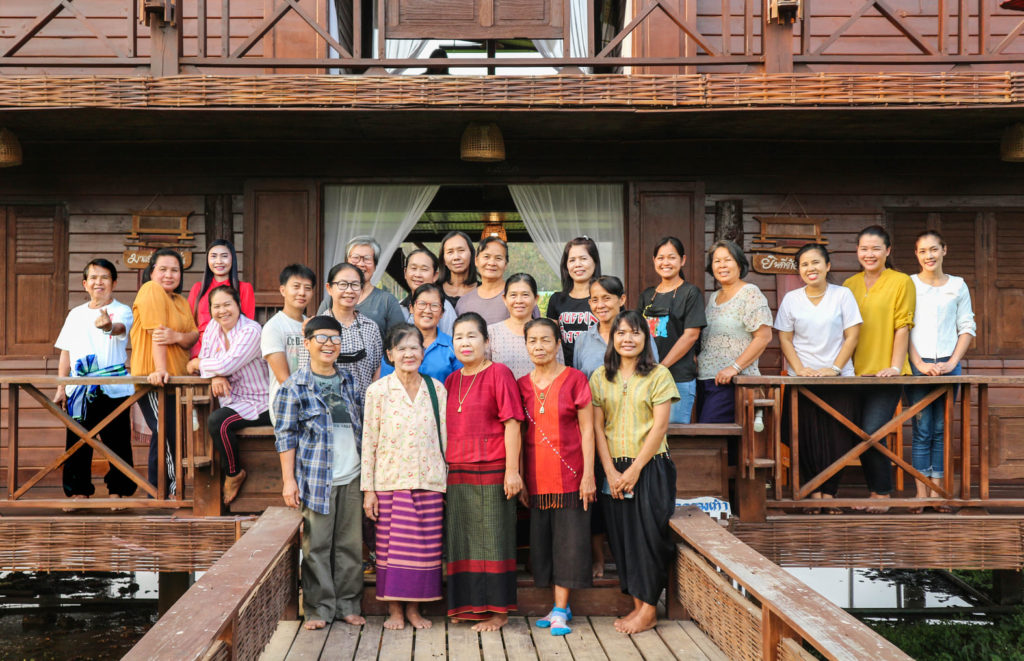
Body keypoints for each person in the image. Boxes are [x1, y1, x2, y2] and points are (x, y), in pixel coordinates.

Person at [274, 316, 366, 631]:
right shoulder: (294, 386)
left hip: (352, 476)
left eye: (335, 339)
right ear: (308, 343)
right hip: (316, 478)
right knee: (316, 546)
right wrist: (289, 480)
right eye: (322, 338)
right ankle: (318, 609)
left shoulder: (349, 381)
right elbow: (285, 436)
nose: (329, 345)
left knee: (350, 546)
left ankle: (348, 605)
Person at [590, 310, 678, 635]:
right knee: (623, 537)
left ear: (645, 339)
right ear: (612, 339)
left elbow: (660, 426)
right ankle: (638, 606)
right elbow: (598, 428)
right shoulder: (600, 376)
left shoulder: (659, 375)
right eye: (621, 333)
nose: (628, 339)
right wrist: (611, 471)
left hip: (650, 465)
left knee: (648, 537)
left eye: (635, 333)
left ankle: (650, 609)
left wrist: (635, 469)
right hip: (613, 466)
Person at [362, 323, 447, 631]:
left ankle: (414, 610)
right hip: (389, 482)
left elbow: (445, 437)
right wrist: (368, 491)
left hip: (430, 481)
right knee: (391, 553)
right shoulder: (378, 391)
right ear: (390, 354)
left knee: (424, 553)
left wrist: (447, 479)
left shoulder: (436, 390)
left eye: (414, 348)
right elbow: (369, 440)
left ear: (423, 353)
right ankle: (394, 611)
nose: (409, 354)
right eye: (402, 349)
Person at [572, 275, 658, 578]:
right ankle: (598, 558)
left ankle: (630, 565)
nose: (600, 304)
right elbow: (577, 384)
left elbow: (651, 376)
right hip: (593, 431)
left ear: (622, 300)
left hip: (631, 433)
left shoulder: (636, 334)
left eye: (607, 298)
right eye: (594, 299)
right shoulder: (583, 339)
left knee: (629, 501)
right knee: (594, 499)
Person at [443, 312, 524, 631]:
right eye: (459, 337)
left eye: (472, 336)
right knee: (463, 541)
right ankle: (470, 607)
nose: (465, 342)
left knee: (494, 540)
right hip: (457, 471)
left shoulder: (499, 373)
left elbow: (513, 424)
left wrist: (512, 471)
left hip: (493, 469)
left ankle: (499, 612)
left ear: (487, 342)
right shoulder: (452, 380)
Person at [518, 318, 595, 637]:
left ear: (557, 344)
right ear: (526, 345)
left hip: (571, 476)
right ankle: (556, 606)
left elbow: (588, 428)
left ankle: (561, 609)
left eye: (545, 340)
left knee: (569, 544)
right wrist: (521, 476)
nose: (539, 346)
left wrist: (589, 474)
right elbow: (517, 433)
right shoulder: (521, 384)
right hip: (536, 479)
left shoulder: (575, 379)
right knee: (544, 546)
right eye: (533, 340)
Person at [774, 244, 862, 513]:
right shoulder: (791, 299)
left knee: (838, 436)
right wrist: (799, 369)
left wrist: (834, 368)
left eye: (815, 263)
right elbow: (785, 338)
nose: (810, 269)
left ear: (827, 266)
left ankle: (830, 493)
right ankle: (812, 493)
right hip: (802, 379)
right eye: (804, 264)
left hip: (838, 378)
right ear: (799, 270)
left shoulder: (842, 295)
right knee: (805, 437)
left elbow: (852, 335)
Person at [843, 225, 916, 514]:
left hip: (886, 373)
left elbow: (903, 326)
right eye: (863, 248)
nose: (869, 254)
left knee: (872, 431)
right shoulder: (849, 284)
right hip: (852, 373)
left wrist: (895, 366)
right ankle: (873, 492)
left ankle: (882, 494)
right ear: (857, 251)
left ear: (887, 251)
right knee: (854, 433)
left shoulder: (901, 282)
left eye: (875, 248)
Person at [53, 259, 136, 503]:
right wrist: (61, 387)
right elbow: (65, 352)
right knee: (78, 441)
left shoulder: (122, 310)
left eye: (105, 277)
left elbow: (119, 329)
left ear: (114, 283)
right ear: (85, 284)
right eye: (94, 278)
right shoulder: (75, 314)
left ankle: (118, 491)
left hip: (113, 388)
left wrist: (108, 325)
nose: (99, 282)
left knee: (117, 441)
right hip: (78, 388)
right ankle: (78, 491)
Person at [908, 230, 975, 512]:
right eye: (923, 251)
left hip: (949, 362)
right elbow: (904, 327)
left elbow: (966, 327)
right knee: (922, 428)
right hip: (917, 364)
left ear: (944, 250)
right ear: (917, 255)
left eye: (933, 249)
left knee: (941, 428)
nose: (929, 256)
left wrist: (951, 363)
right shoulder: (909, 284)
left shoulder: (958, 286)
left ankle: (939, 493)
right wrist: (920, 364)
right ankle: (922, 494)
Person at [187, 286, 270, 505]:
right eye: (216, 306)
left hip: (261, 402)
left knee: (218, 422)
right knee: (212, 420)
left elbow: (226, 363)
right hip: (233, 400)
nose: (222, 311)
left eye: (227, 305)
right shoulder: (214, 327)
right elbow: (209, 357)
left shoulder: (251, 330)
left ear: (238, 306)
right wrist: (215, 376)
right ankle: (223, 478)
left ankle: (233, 474)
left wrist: (198, 364)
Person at [130, 248, 199, 496]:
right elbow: (157, 334)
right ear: (151, 271)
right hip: (155, 379)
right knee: (166, 435)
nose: (169, 275)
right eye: (163, 269)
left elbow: (192, 336)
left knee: (169, 435)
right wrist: (160, 370)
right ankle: (168, 493)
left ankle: (156, 492)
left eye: (175, 270)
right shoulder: (151, 289)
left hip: (177, 380)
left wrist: (177, 336)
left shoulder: (180, 301)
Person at [696, 240, 773, 434]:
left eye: (727, 260)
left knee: (709, 436)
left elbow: (763, 337)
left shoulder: (750, 294)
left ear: (739, 263)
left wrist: (734, 368)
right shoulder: (713, 298)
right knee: (714, 441)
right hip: (706, 381)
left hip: (734, 383)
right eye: (716, 261)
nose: (722, 265)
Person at [639, 237, 706, 424]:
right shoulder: (647, 295)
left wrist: (661, 368)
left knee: (674, 439)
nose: (665, 263)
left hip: (678, 378)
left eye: (671, 257)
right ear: (654, 261)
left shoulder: (691, 293)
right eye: (660, 258)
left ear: (682, 260)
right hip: (646, 379)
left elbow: (691, 334)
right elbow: (637, 334)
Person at [315, 262, 384, 398]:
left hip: (364, 410)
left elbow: (377, 370)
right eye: (342, 284)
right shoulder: (318, 326)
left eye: (355, 285)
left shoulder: (371, 327)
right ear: (329, 288)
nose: (349, 290)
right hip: (328, 410)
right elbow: (306, 372)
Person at [318, 236, 405, 338]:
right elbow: (317, 334)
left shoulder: (387, 301)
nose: (360, 264)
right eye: (355, 257)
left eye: (367, 259)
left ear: (375, 265)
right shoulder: (331, 300)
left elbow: (400, 340)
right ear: (346, 261)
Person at [261, 264, 316, 423]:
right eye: (296, 287)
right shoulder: (274, 327)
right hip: (286, 405)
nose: (302, 293)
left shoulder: (312, 325)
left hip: (312, 402)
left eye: (307, 288)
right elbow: (284, 379)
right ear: (283, 290)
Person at [187, 240, 255, 358]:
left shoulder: (245, 288)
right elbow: (189, 325)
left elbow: (246, 327)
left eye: (224, 256)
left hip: (232, 351)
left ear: (232, 259)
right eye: (213, 256)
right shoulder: (197, 289)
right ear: (207, 260)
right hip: (199, 352)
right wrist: (197, 356)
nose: (219, 261)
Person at [381, 283, 462, 383]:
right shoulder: (395, 343)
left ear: (442, 313)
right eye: (422, 304)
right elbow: (385, 384)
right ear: (411, 308)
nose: (427, 310)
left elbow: (459, 388)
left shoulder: (452, 347)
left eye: (434, 306)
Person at [488, 273, 562, 380]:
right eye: (513, 295)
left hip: (542, 396)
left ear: (536, 299)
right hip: (502, 396)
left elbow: (560, 373)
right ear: (505, 299)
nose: (519, 301)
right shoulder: (491, 333)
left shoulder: (549, 332)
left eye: (525, 295)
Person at [455, 236, 539, 325]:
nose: (491, 263)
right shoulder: (464, 302)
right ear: (476, 261)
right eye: (486, 257)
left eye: (498, 258)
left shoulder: (520, 298)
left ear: (506, 264)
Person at [546, 237, 601, 366]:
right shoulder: (556, 299)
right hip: (565, 371)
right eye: (572, 260)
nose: (577, 265)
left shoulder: (606, 298)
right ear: (566, 265)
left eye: (583, 259)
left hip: (599, 370)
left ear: (595, 261)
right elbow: (550, 338)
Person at [400, 248, 457, 336]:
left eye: (424, 269)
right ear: (405, 273)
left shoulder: (445, 307)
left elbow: (451, 343)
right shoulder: (399, 307)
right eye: (413, 268)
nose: (418, 274)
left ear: (435, 276)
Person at [437, 230, 479, 306]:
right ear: (443, 260)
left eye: (461, 250)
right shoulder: (434, 290)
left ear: (472, 254)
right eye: (450, 252)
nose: (456, 257)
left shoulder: (483, 291)